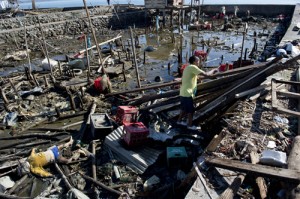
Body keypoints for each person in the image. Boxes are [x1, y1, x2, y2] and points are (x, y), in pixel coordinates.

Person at [177, 55, 217, 130]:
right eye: (198, 61)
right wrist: (214, 70)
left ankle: (178, 121)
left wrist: (198, 79)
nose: (199, 62)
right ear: (194, 62)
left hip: (183, 92)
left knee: (184, 109)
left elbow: (194, 77)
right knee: (190, 111)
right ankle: (189, 125)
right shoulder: (193, 67)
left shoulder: (188, 68)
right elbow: (207, 74)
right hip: (188, 93)